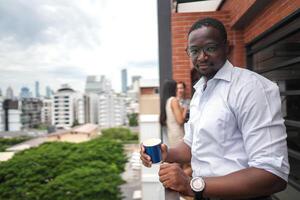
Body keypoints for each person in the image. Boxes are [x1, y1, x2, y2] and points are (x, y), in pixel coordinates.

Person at [141, 17, 289, 200]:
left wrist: (191, 185)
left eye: (210, 48)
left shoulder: (251, 88)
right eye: (194, 50)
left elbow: (272, 175)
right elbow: (192, 144)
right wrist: (167, 153)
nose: (202, 56)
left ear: (226, 47)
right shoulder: (200, 92)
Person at [160, 79, 187, 147]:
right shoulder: (173, 100)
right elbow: (180, 121)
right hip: (178, 134)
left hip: (171, 134)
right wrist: (185, 110)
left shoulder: (166, 101)